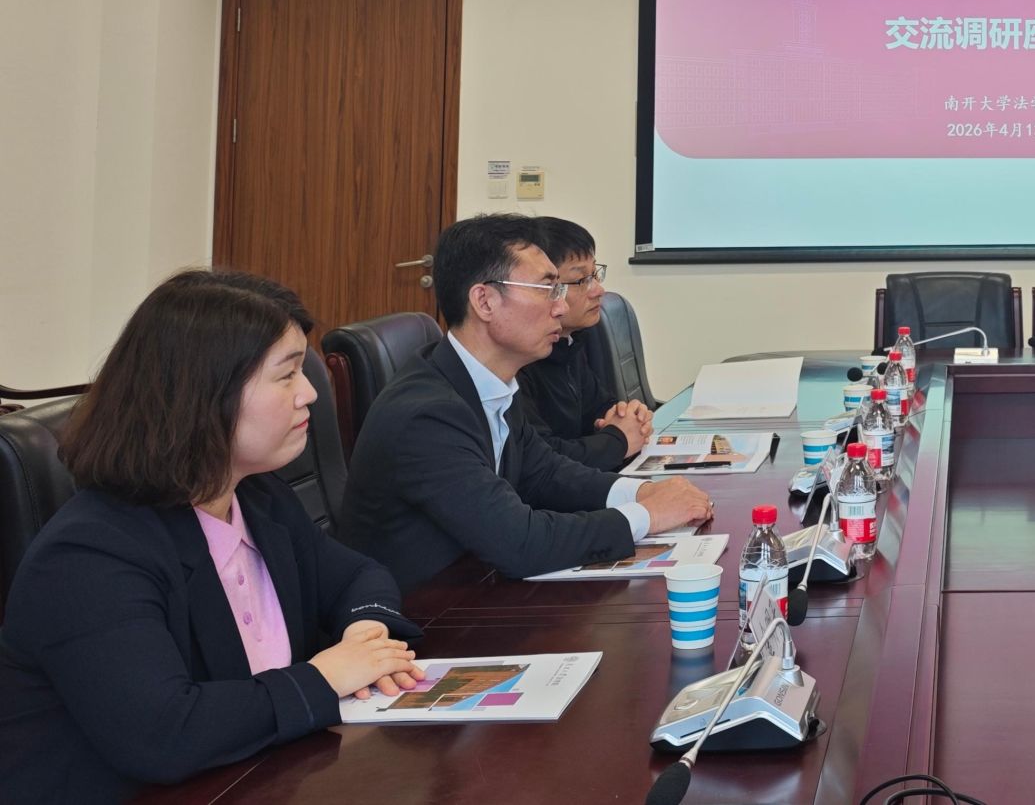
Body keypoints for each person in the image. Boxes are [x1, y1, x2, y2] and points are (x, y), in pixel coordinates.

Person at [0, 271, 426, 803]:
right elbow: (163, 735)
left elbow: (357, 575)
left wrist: (366, 635)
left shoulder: (258, 496)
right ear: (205, 394)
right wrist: (323, 677)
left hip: (259, 780)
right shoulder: (89, 555)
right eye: (287, 374)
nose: (310, 393)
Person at [337, 214, 713, 591]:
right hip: (421, 612)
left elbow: (546, 473)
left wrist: (640, 491)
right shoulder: (427, 415)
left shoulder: (491, 380)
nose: (560, 307)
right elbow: (520, 542)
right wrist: (647, 515)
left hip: (475, 586)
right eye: (547, 288)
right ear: (484, 301)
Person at [514, 216, 652, 472]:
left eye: (595, 274)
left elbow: (598, 408)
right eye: (581, 280)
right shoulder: (517, 360)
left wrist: (628, 415)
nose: (598, 290)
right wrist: (617, 441)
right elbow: (541, 461)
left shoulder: (570, 342)